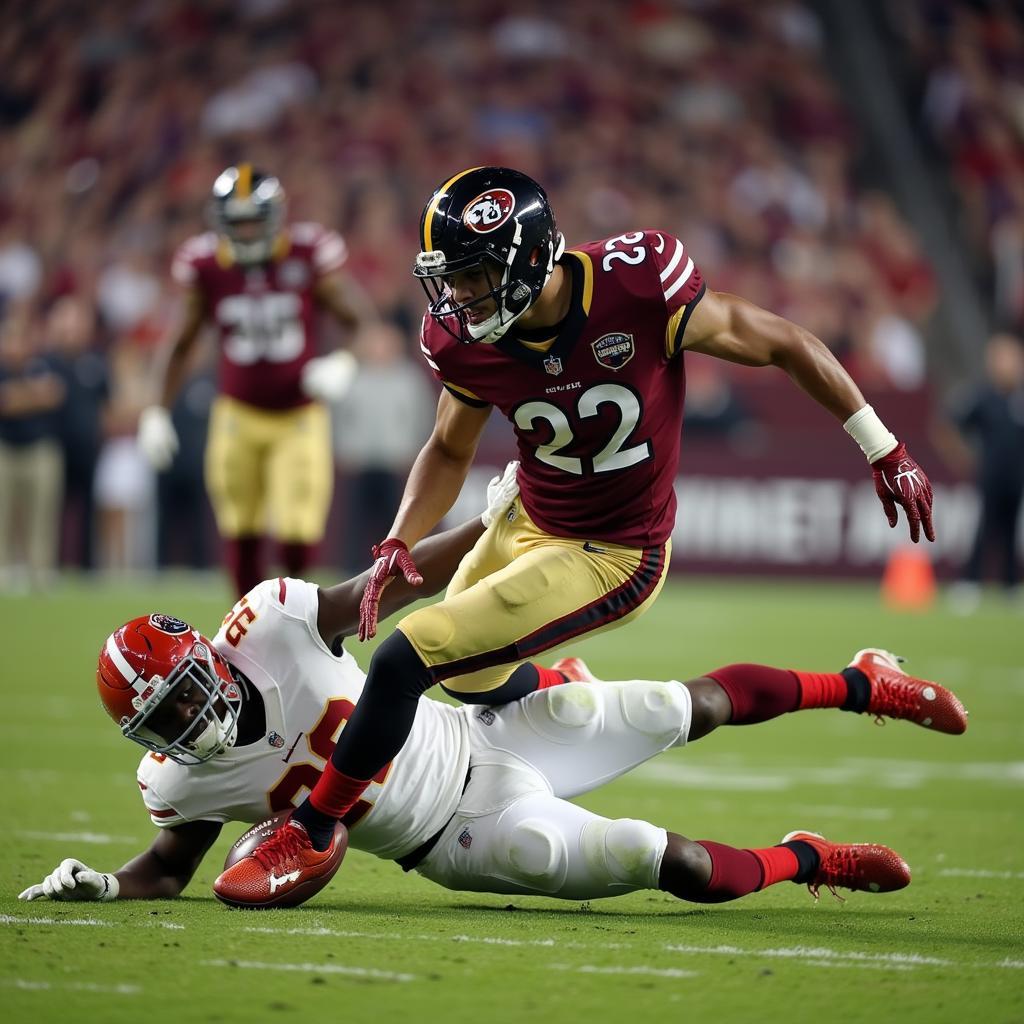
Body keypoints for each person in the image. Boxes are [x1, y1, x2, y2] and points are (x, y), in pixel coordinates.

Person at [231, 165, 938, 878]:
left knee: (405, 657)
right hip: (527, 513)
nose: (457, 297)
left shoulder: (638, 283)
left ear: (529, 260)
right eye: (450, 277)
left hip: (612, 551)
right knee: (468, 681)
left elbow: (782, 340)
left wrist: (884, 446)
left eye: (473, 275)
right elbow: (448, 445)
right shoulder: (464, 338)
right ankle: (556, 680)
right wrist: (399, 539)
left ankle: (314, 829)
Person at [19, 466, 967, 910]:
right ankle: (808, 859)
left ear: (206, 660)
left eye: (186, 692)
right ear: (155, 739)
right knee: (656, 858)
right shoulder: (181, 784)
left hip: (481, 730)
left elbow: (393, 590)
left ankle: (861, 682)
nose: (192, 717)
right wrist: (101, 882)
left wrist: (481, 522)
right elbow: (170, 871)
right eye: (168, 720)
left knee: (681, 708)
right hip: (456, 836)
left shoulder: (268, 622)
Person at [136, 164, 374, 596]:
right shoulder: (205, 263)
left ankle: (297, 619)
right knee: (239, 525)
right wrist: (155, 408)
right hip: (237, 414)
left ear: (274, 218)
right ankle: (244, 626)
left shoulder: (306, 252)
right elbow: (182, 340)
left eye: (253, 221)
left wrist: (343, 361)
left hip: (298, 415)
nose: (245, 232)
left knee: (298, 527)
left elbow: (357, 319)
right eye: (236, 223)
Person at [0, 308, 66, 590]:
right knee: (4, 512)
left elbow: (55, 394)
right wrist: (33, 396)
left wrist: (19, 397)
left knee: (42, 514)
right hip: (5, 448)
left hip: (40, 448)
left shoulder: (45, 362)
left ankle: (40, 570)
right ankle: (4, 568)